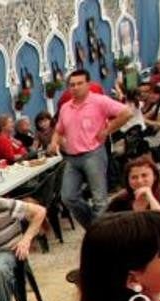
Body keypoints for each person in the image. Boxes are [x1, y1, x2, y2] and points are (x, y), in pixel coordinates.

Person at [48, 69, 132, 227]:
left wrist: (108, 130)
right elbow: (59, 130)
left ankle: (100, 233)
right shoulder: (65, 107)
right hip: (72, 158)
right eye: (72, 85)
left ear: (88, 84)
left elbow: (126, 113)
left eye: (79, 83)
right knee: (68, 197)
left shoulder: (99, 101)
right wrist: (54, 142)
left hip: (93, 154)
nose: (75, 87)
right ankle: (94, 228)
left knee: (99, 198)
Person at [103, 155, 160, 219]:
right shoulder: (120, 200)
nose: (139, 181)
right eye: (134, 177)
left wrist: (150, 198)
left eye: (144, 175)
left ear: (154, 176)